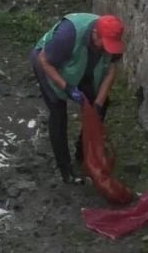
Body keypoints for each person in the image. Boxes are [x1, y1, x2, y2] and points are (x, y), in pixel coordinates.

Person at [30, 13, 126, 184]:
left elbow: (110, 71)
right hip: (50, 62)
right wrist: (67, 87)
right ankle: (65, 168)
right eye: (104, 45)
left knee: (100, 106)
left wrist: (97, 104)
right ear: (95, 33)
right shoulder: (68, 35)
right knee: (58, 111)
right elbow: (44, 60)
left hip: (84, 66)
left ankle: (83, 154)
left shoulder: (112, 42)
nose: (107, 49)